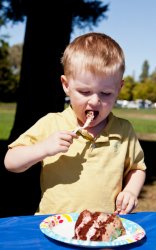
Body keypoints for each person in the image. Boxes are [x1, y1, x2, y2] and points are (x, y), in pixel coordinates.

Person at [4, 32, 146, 215]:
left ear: (119, 88)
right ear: (66, 85)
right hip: (55, 226)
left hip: (103, 228)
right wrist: (43, 149)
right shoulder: (52, 123)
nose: (94, 101)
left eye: (106, 93)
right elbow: (11, 162)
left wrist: (131, 191)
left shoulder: (123, 130)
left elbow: (137, 168)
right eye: (85, 92)